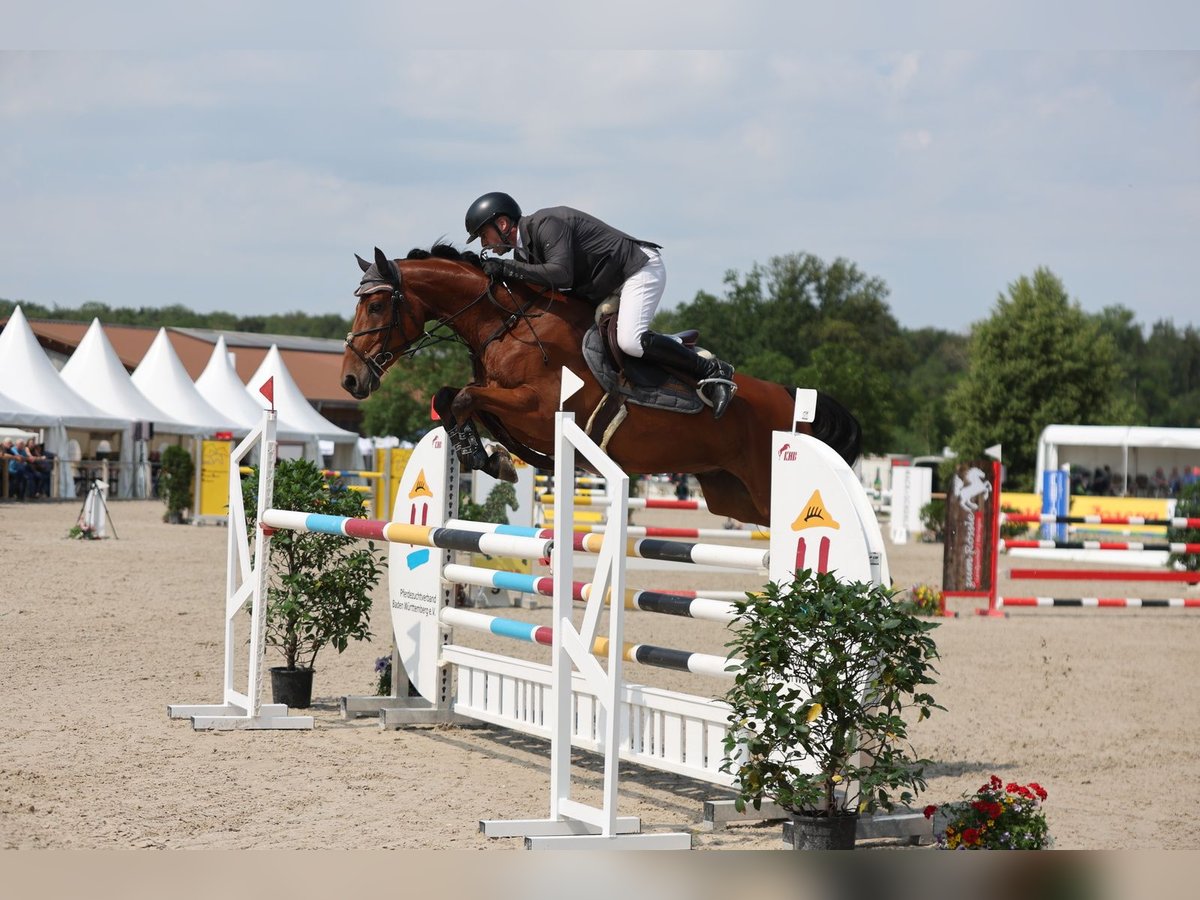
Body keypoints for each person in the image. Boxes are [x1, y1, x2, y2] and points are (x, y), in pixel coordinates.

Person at [464, 191, 736, 419]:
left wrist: (507, 267)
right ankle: (670, 346)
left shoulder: (547, 223)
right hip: (606, 286)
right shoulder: (525, 250)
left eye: (483, 235)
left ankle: (712, 371)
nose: (484, 243)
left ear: (501, 224)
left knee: (630, 342)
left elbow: (561, 274)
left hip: (638, 269)